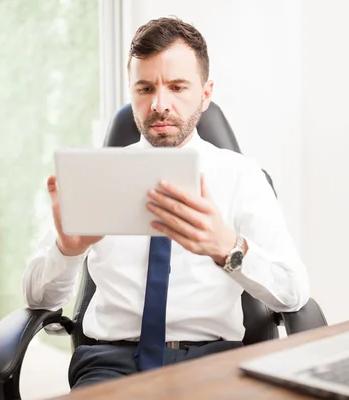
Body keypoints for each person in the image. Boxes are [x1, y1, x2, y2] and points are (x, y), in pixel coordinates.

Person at [23, 16, 309, 390]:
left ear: (205, 94)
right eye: (145, 88)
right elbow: (36, 297)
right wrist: (68, 249)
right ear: (131, 92)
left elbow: (293, 292)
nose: (160, 104)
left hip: (214, 362)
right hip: (110, 363)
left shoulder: (243, 176)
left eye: (177, 87)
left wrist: (229, 248)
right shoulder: (97, 175)